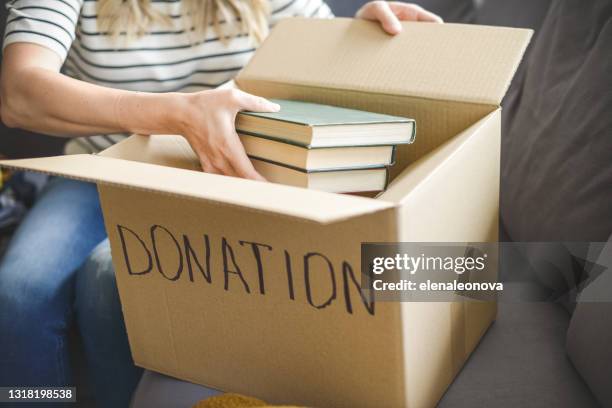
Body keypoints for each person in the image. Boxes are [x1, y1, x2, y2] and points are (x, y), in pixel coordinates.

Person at [0, 1, 442, 406]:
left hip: (221, 180)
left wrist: (361, 37)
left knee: (110, 279)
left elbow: (321, 55)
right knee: (18, 294)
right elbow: (19, 93)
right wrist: (176, 113)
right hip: (96, 171)